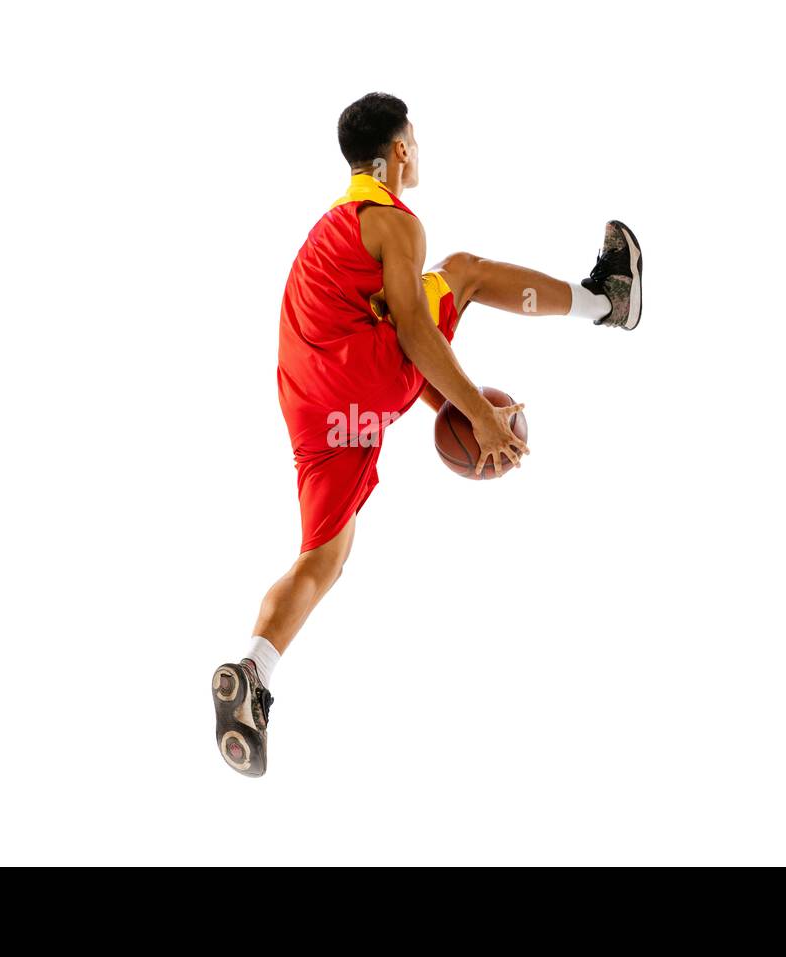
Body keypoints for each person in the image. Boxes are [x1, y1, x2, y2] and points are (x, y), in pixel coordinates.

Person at [211, 92, 642, 776]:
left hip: (309, 402)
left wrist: (456, 401)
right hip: (358, 379)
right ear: (402, 149)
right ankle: (607, 300)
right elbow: (414, 332)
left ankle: (252, 671)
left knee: (324, 556)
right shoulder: (390, 224)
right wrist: (478, 414)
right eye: (418, 138)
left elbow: (403, 343)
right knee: (463, 272)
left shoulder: (327, 233)